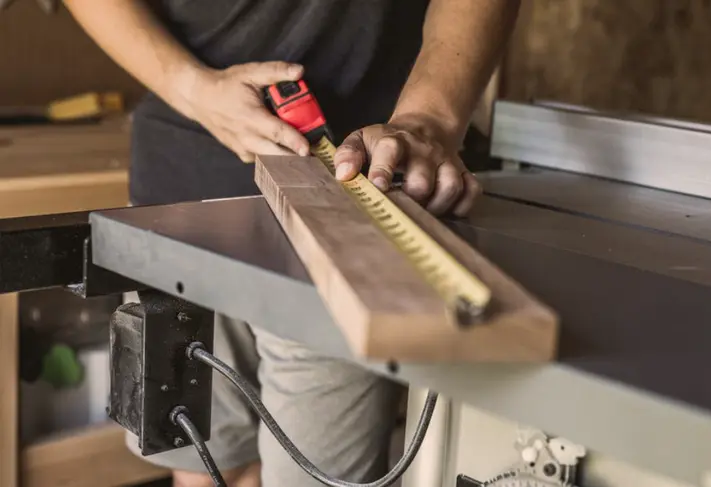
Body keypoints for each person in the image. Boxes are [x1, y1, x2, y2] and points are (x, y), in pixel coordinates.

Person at [63, 1, 520, 486]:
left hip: (358, 197)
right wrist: (190, 87)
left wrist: (427, 119)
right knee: (205, 468)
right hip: (181, 196)